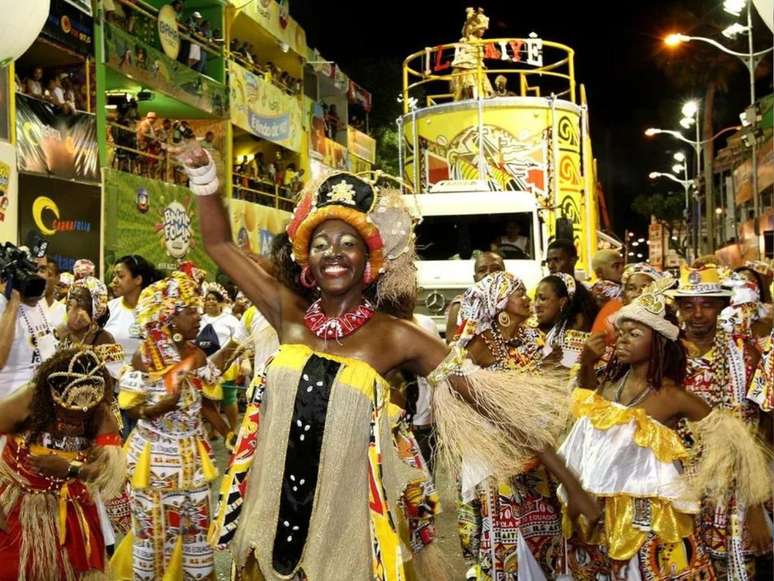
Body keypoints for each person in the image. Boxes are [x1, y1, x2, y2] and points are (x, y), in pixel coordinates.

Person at [178, 143, 598, 579]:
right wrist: (206, 177)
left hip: (345, 529)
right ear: (308, 262)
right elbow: (220, 244)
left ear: (368, 263)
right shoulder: (288, 316)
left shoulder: (399, 337)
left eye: (347, 243)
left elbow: (493, 405)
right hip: (270, 514)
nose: (333, 252)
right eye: (321, 244)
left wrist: (571, 484)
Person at [562, 278, 771, 579]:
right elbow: (585, 426)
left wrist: (749, 506)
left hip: (654, 523)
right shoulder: (609, 384)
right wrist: (585, 364)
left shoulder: (674, 397)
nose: (621, 341)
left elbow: (736, 445)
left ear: (658, 342)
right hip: (604, 518)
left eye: (634, 334)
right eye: (620, 333)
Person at [112, 272, 233, 579]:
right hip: (154, 463)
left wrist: (227, 432)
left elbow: (202, 400)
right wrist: (158, 407)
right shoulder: (146, 357)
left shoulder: (196, 354)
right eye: (190, 311)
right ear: (168, 316)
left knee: (197, 538)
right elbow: (131, 407)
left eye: (197, 309)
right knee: (153, 541)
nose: (199, 315)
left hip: (193, 460)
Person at [455, 272, 563, 580]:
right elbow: (458, 390)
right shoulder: (480, 343)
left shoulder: (533, 337)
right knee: (505, 526)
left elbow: (545, 378)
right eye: (519, 293)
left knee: (543, 520)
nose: (527, 298)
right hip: (497, 451)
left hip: (535, 447)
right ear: (499, 303)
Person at [669, 266, 769, 578]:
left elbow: (756, 430)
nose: (697, 314)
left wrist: (754, 506)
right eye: (688, 306)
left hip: (734, 488)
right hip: (676, 482)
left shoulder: (745, 355)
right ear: (679, 309)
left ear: (722, 307)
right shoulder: (665, 353)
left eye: (707, 305)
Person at [0, 348, 126, 579]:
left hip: (71, 512)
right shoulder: (27, 400)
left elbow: (108, 473)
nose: (75, 422)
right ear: (51, 398)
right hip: (18, 508)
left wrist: (70, 469)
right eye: (67, 413)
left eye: (83, 416)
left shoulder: (100, 411)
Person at [0, 257, 57, 398]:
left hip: (43, 401)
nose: (37, 275)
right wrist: (13, 304)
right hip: (11, 406)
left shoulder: (40, 300)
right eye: (30, 269)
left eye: (41, 269)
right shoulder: (3, 304)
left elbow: (42, 339)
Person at [200, 282, 246, 431]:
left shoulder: (230, 320)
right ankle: (213, 430)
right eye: (208, 299)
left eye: (214, 299)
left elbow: (240, 341)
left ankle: (233, 430)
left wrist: (244, 361)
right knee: (209, 397)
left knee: (228, 398)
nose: (210, 301)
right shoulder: (199, 319)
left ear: (221, 302)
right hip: (204, 364)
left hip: (227, 364)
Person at [104, 255, 160, 371]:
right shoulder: (108, 309)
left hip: (145, 383)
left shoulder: (154, 311)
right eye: (114, 275)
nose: (114, 280)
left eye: (120, 276)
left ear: (138, 280)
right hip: (113, 383)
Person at [534, 272, 598, 369]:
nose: (537, 304)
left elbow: (572, 374)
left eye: (542, 298)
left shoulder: (575, 331)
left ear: (562, 302)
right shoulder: (534, 328)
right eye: (536, 299)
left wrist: (546, 366)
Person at [591, 262, 664, 343]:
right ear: (624, 296)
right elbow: (594, 344)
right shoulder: (612, 310)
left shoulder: (664, 320)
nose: (637, 294)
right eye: (631, 288)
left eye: (645, 288)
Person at [445, 251, 505, 340]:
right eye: (482, 270)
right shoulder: (461, 306)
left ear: (505, 275)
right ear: (475, 278)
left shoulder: (516, 303)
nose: (488, 273)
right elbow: (452, 347)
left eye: (495, 269)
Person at [42, 257, 67, 328]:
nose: (43, 278)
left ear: (58, 278)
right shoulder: (20, 309)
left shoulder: (65, 312)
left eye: (49, 274)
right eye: (39, 273)